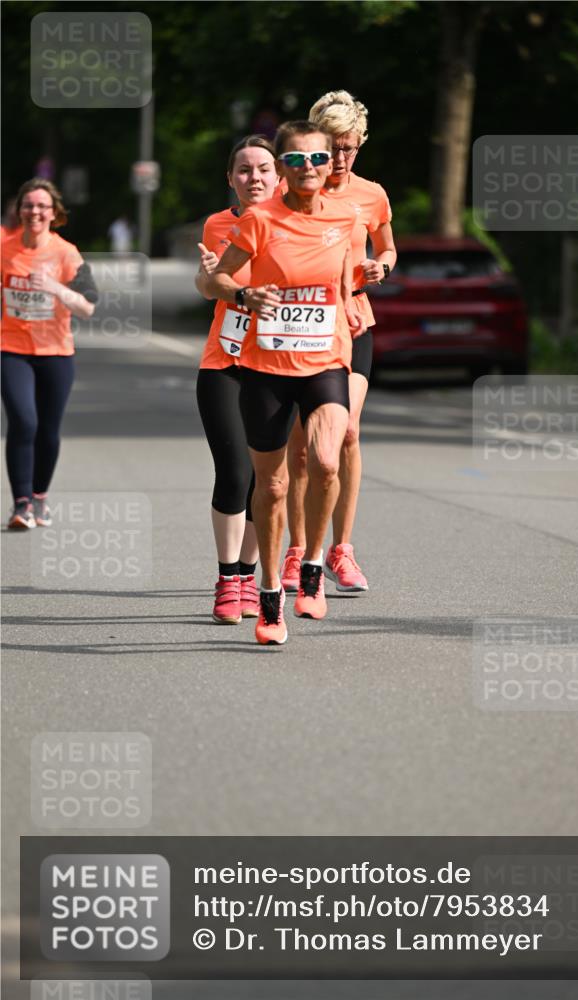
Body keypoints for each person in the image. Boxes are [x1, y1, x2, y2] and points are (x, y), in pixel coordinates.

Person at [202, 120, 363, 645]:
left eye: (317, 159)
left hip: (325, 361)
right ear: (284, 168)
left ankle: (313, 566)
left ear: (329, 164)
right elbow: (217, 279)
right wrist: (244, 295)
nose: (308, 168)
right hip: (265, 367)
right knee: (270, 486)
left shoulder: (347, 216)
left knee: (326, 460)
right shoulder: (259, 220)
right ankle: (268, 594)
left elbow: (345, 281)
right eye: (295, 159)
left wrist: (352, 305)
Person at [280, 91, 396, 596]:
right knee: (303, 446)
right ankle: (296, 549)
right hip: (303, 326)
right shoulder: (293, 189)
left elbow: (387, 246)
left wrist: (380, 266)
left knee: (347, 431)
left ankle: (341, 548)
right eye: (333, 147)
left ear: (360, 144)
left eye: (349, 147)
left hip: (353, 322)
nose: (341, 158)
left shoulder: (371, 195)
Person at [195, 135, 279, 624]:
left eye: (264, 168)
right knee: (234, 471)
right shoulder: (218, 224)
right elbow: (208, 288)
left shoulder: (298, 225)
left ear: (279, 175)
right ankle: (228, 579)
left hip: (281, 367)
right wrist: (209, 276)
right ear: (231, 178)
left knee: (267, 479)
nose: (254, 178)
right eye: (244, 170)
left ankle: (249, 575)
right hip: (224, 362)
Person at [1, 178, 98, 530]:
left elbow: (87, 307)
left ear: (54, 213)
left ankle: (39, 498)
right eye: (28, 205)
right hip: (12, 349)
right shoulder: (4, 248)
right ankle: (21, 504)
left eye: (42, 206)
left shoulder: (66, 253)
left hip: (56, 352)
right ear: (19, 210)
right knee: (23, 421)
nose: (35, 212)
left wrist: (54, 287)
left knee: (47, 429)